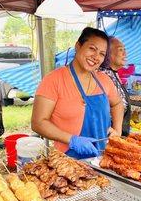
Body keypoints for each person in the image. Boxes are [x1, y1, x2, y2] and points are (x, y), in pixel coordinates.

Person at [31, 27, 123, 159]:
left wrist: (117, 130)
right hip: (68, 160)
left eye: (102, 54)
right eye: (92, 48)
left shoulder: (104, 80)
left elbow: (118, 104)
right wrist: (72, 140)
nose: (96, 57)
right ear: (78, 46)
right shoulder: (53, 80)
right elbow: (38, 123)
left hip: (103, 158)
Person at [100, 37, 131, 136]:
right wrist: (116, 132)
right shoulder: (103, 75)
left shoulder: (113, 73)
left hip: (117, 133)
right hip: (106, 135)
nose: (125, 54)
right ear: (108, 54)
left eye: (125, 50)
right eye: (120, 50)